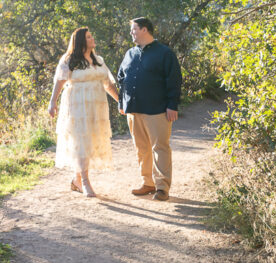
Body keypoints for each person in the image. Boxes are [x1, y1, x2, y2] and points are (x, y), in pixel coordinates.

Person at [48, 27, 120, 197]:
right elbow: (59, 82)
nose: (92, 38)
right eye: (89, 37)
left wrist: (121, 102)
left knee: (89, 141)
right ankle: (86, 182)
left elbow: (108, 84)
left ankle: (77, 179)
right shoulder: (68, 60)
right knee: (81, 140)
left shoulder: (99, 60)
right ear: (81, 41)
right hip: (77, 106)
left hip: (97, 106)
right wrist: (52, 102)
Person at [117, 17, 182, 202]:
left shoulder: (165, 53)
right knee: (141, 149)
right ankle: (148, 183)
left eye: (134, 29)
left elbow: (174, 80)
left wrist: (172, 105)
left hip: (157, 110)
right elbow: (122, 78)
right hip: (133, 109)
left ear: (145, 30)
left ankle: (162, 187)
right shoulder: (129, 53)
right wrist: (122, 103)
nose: (131, 33)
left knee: (159, 148)